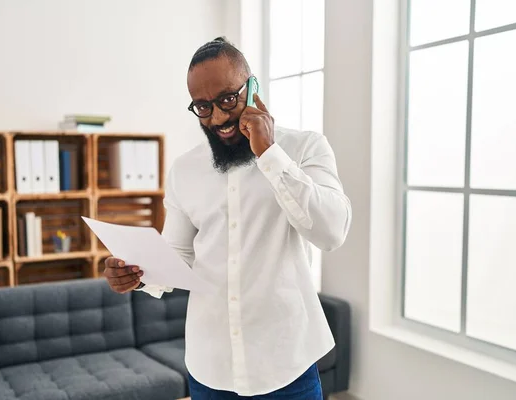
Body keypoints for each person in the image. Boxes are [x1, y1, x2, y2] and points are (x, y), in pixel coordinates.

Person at [103, 37, 352, 400]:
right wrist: (136, 275)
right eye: (203, 107)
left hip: (286, 365)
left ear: (252, 89)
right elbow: (179, 254)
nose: (217, 117)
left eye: (227, 100)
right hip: (211, 368)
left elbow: (332, 231)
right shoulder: (185, 170)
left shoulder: (305, 148)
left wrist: (269, 153)